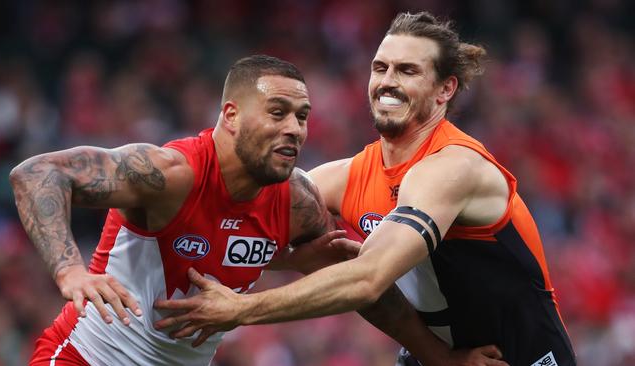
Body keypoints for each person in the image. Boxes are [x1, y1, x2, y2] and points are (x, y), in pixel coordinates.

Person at [10, 55, 502, 366]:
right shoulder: (169, 173)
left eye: (303, 117)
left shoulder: (296, 202)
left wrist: (440, 359)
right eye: (278, 113)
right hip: (85, 356)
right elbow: (36, 174)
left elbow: (359, 282)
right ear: (230, 116)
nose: (295, 129)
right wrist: (69, 271)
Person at [154, 12, 577, 366]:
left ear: (446, 89)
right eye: (380, 68)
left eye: (407, 71)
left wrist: (242, 310)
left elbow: (369, 279)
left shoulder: (454, 168)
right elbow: (246, 227)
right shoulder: (347, 177)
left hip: (520, 355)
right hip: (436, 358)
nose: (387, 82)